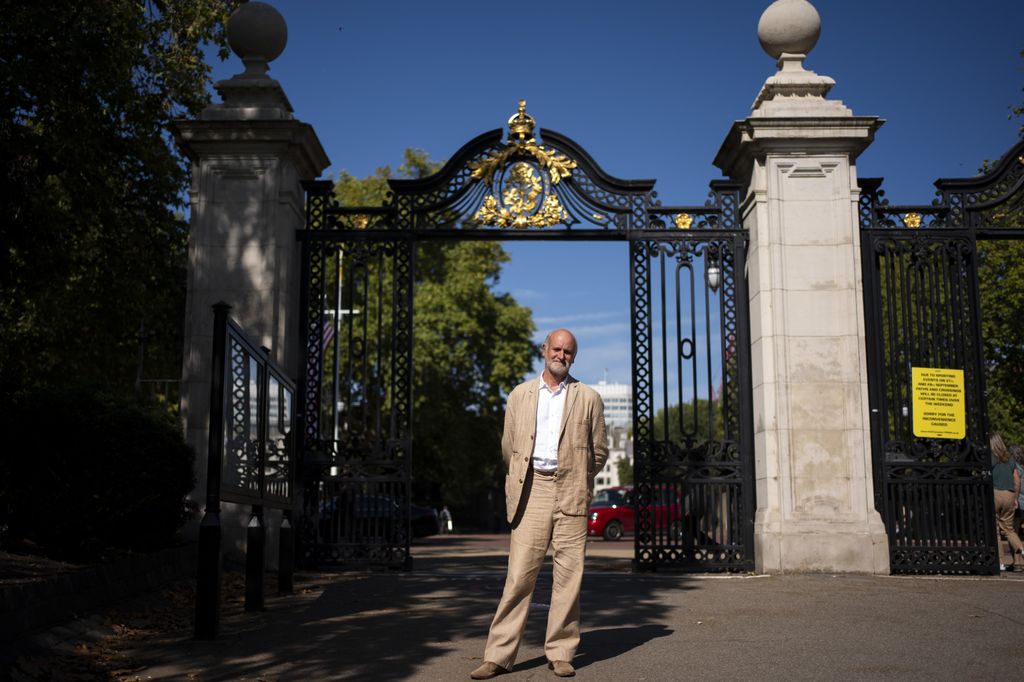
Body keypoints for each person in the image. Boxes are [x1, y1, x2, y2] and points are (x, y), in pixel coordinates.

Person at [471, 329, 608, 680]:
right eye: (556, 348)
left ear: (574, 357)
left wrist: (578, 473)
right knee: (519, 576)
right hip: (531, 489)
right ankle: (498, 655)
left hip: (571, 490)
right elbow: (509, 447)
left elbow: (599, 451)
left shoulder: (589, 397)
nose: (561, 355)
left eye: (568, 351)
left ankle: (561, 651)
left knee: (568, 577)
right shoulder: (520, 395)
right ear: (544, 350)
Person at [990, 434, 1023, 571]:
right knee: (1009, 529)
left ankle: (1000, 562)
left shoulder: (991, 457)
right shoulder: (1009, 459)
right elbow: (1017, 480)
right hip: (1010, 495)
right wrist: (1015, 498)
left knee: (995, 530)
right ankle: (1022, 550)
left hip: (996, 493)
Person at [1011, 444, 1024, 541]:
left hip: (1019, 503)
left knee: (1013, 531)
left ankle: (1018, 550)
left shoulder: (1014, 468)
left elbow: (1017, 483)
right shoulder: (1022, 467)